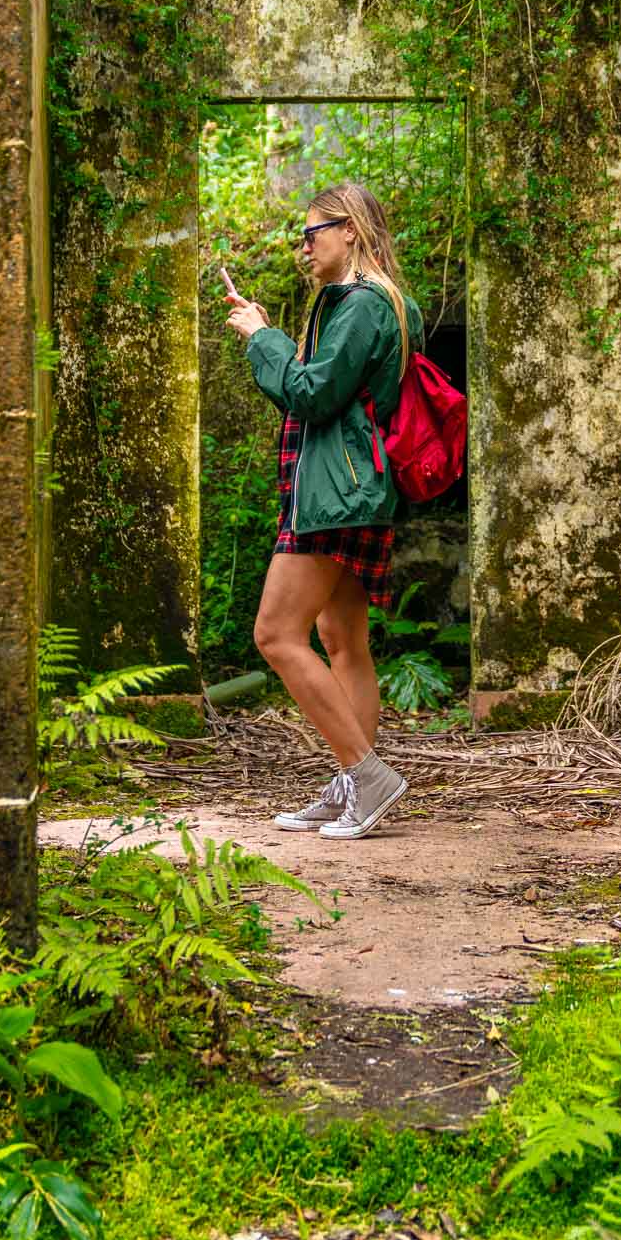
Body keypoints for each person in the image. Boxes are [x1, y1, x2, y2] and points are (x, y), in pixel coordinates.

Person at [225, 182, 420, 840]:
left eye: (313, 233)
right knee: (343, 641)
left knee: (276, 635)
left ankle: (366, 777)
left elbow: (309, 395)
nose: (304, 246)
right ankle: (351, 788)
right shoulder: (373, 305)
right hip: (353, 490)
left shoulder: (364, 307)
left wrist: (262, 339)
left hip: (336, 497)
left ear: (352, 232)